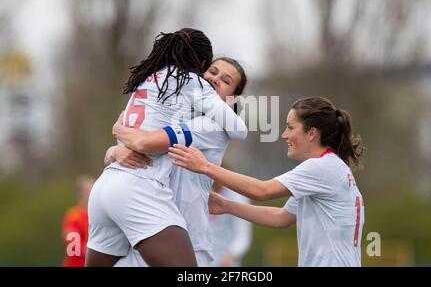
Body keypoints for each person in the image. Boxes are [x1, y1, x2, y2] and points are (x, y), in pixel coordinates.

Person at [86, 30, 248, 267]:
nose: (215, 79)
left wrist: (120, 133)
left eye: (226, 81)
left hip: (184, 236)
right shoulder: (175, 105)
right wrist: (115, 151)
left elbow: (147, 142)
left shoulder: (211, 125)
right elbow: (141, 142)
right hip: (146, 223)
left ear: (233, 99)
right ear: (200, 69)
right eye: (212, 72)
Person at [169, 97, 365, 267]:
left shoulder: (322, 167)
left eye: (290, 127)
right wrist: (226, 205)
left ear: (312, 133)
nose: (284, 135)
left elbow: (262, 190)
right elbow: (281, 217)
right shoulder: (331, 168)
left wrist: (206, 166)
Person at [208, 182, 252, 267]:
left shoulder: (237, 197)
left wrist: (231, 255)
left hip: (226, 262)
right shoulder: (201, 192)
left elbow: (242, 233)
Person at [61, 175, 95, 267]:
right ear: (81, 194)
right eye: (89, 191)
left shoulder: (96, 215)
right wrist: (91, 251)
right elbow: (72, 244)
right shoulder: (73, 215)